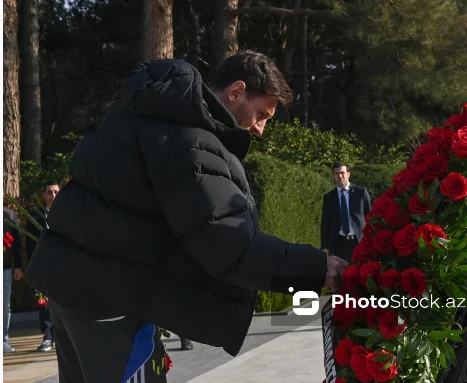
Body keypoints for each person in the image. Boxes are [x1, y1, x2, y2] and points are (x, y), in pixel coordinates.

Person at [25, 51, 348, 383]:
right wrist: (316, 267)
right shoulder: (192, 143)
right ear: (236, 92)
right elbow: (229, 245)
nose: (261, 129)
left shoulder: (134, 115)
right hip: (113, 304)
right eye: (262, 114)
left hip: (70, 292)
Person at [25, 181, 60, 352]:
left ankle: (64, 337)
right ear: (43, 195)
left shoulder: (69, 214)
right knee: (45, 304)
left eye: (56, 192)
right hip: (44, 267)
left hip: (64, 267)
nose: (53, 195)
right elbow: (30, 244)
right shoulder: (35, 217)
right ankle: (48, 336)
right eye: (49, 192)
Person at [320, 161, 372, 262]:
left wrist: (372, 240)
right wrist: (324, 247)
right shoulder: (329, 198)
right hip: (339, 244)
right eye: (337, 173)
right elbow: (325, 224)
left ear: (348, 174)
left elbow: (370, 217)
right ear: (333, 176)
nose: (340, 176)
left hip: (359, 242)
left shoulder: (360, 193)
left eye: (342, 173)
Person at [3, 205, 23, 353]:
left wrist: (19, 266)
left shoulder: (9, 214)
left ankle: (3, 339)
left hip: (5, 267)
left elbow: (17, 243)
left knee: (4, 305)